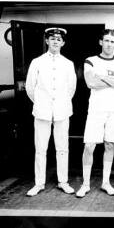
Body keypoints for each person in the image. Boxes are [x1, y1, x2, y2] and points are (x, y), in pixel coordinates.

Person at [76, 29, 114, 198]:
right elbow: (91, 82)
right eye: (106, 41)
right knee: (90, 146)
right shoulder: (90, 61)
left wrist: (103, 77)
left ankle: (106, 182)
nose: (109, 44)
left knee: (109, 145)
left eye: (112, 41)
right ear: (101, 42)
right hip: (96, 109)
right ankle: (85, 184)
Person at [25, 27, 77, 196]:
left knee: (62, 147)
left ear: (63, 42)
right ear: (47, 41)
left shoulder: (68, 64)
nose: (55, 41)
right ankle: (39, 183)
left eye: (58, 39)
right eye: (52, 38)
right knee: (40, 148)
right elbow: (30, 88)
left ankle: (63, 181)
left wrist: (59, 104)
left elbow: (71, 88)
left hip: (62, 111)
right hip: (42, 111)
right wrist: (42, 103)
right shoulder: (37, 62)